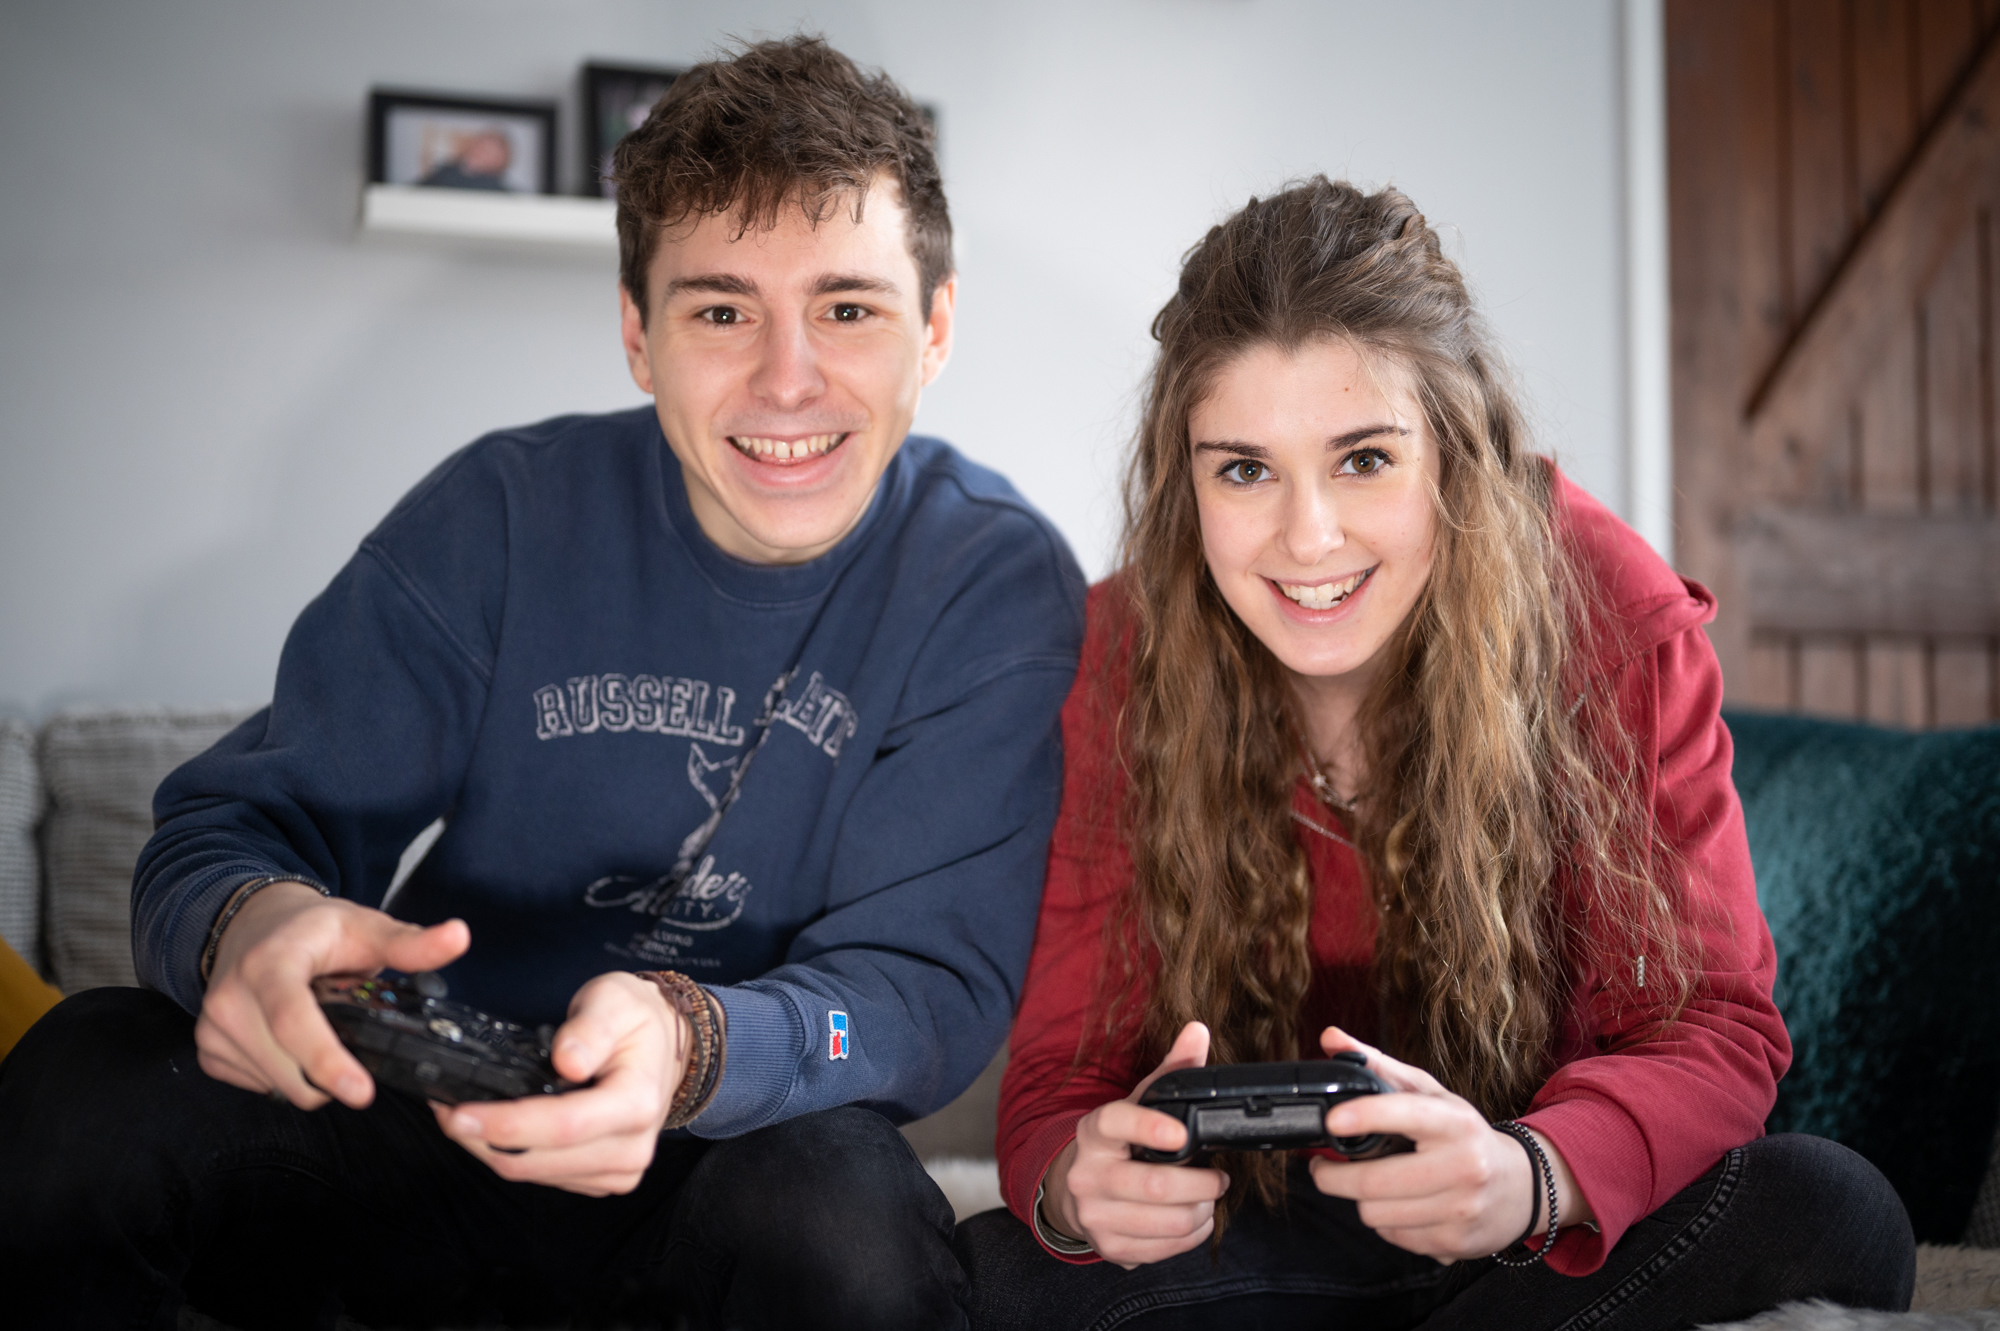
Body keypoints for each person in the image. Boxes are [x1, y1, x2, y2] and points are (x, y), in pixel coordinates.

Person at [0, 37, 1083, 1331]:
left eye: (848, 306)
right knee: (83, 1075)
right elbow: (224, 831)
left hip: (737, 1152)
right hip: (419, 1119)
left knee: (847, 1218)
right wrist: (252, 926)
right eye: (721, 309)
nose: (788, 377)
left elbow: (920, 997)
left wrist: (694, 1042)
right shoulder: (500, 515)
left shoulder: (993, 581)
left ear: (937, 325)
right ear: (638, 333)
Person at [954, 178, 1915, 1330]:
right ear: (1186, 484)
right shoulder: (1119, 649)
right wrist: (1079, 1182)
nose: (1306, 537)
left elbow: (1712, 1025)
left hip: (1527, 1228)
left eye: (1363, 458)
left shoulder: (1603, 608)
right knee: (998, 1267)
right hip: (1269, 1221)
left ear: (1454, 453)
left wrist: (1527, 1176)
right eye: (1243, 469)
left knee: (1826, 1202)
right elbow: (1059, 1074)